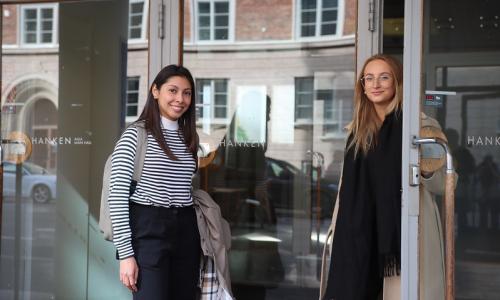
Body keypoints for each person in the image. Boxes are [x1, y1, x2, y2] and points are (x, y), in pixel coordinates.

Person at [320, 54, 448, 300]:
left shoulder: (420, 126)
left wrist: (426, 169)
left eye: (384, 77)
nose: (375, 84)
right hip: (359, 234)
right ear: (363, 86)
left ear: (397, 82)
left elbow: (445, 184)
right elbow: (347, 188)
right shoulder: (356, 131)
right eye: (369, 78)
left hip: (404, 235)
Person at [108, 65, 200, 299]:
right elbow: (117, 197)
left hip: (186, 229)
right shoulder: (135, 136)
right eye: (173, 90)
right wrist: (126, 255)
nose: (180, 99)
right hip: (149, 232)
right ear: (155, 91)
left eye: (187, 93)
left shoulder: (188, 137)